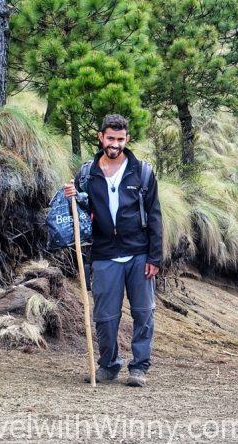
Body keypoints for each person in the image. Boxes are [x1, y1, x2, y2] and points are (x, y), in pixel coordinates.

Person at [63, 114, 162, 388]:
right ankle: (108, 364)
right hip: (104, 253)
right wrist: (71, 194)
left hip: (139, 252)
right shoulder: (87, 173)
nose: (115, 144)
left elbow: (155, 216)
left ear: (127, 139)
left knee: (143, 312)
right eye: (110, 138)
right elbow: (80, 210)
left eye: (120, 139)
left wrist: (155, 256)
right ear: (100, 137)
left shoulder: (142, 172)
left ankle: (139, 367)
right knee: (105, 316)